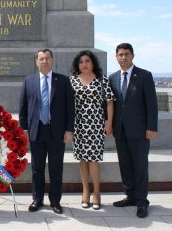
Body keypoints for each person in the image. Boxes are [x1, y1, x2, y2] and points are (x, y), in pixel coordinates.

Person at [19, 48, 75, 213]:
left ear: (52, 60)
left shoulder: (63, 81)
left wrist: (69, 129)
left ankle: (55, 201)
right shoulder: (29, 81)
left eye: (47, 58)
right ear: (36, 62)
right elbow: (23, 106)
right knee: (37, 168)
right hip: (36, 131)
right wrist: (24, 127)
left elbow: (70, 108)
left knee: (56, 168)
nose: (45, 61)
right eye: (41, 59)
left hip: (57, 131)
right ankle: (37, 199)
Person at [109, 43, 158, 218]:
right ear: (116, 57)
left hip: (139, 131)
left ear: (133, 56)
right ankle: (130, 196)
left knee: (140, 166)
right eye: (120, 54)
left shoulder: (144, 76)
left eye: (127, 54)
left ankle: (142, 201)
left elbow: (152, 104)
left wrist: (152, 127)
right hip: (120, 131)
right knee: (125, 165)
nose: (123, 57)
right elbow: (111, 104)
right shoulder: (113, 78)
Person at [70, 50, 115, 210]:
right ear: (78, 65)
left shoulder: (102, 80)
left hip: (96, 125)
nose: (84, 64)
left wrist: (109, 123)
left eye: (87, 61)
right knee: (82, 159)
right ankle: (85, 190)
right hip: (79, 125)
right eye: (81, 61)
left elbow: (110, 102)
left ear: (93, 63)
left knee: (93, 159)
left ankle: (97, 192)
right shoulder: (73, 81)